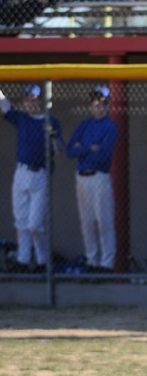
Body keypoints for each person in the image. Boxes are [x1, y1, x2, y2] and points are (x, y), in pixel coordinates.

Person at [0, 83, 63, 273]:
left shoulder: (51, 121)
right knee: (21, 221)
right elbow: (4, 105)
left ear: (41, 101)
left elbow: (59, 150)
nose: (29, 103)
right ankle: (23, 259)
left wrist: (52, 136)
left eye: (33, 99)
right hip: (22, 172)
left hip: (40, 174)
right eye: (26, 99)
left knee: (35, 224)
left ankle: (43, 261)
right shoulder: (21, 119)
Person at [65, 85, 118, 272]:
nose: (98, 106)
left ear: (107, 104)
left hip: (99, 176)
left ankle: (106, 263)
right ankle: (92, 261)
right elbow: (69, 150)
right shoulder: (85, 124)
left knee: (103, 220)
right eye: (95, 102)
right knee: (86, 221)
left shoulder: (110, 126)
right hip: (82, 177)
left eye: (102, 102)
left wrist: (83, 148)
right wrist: (89, 147)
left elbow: (103, 154)